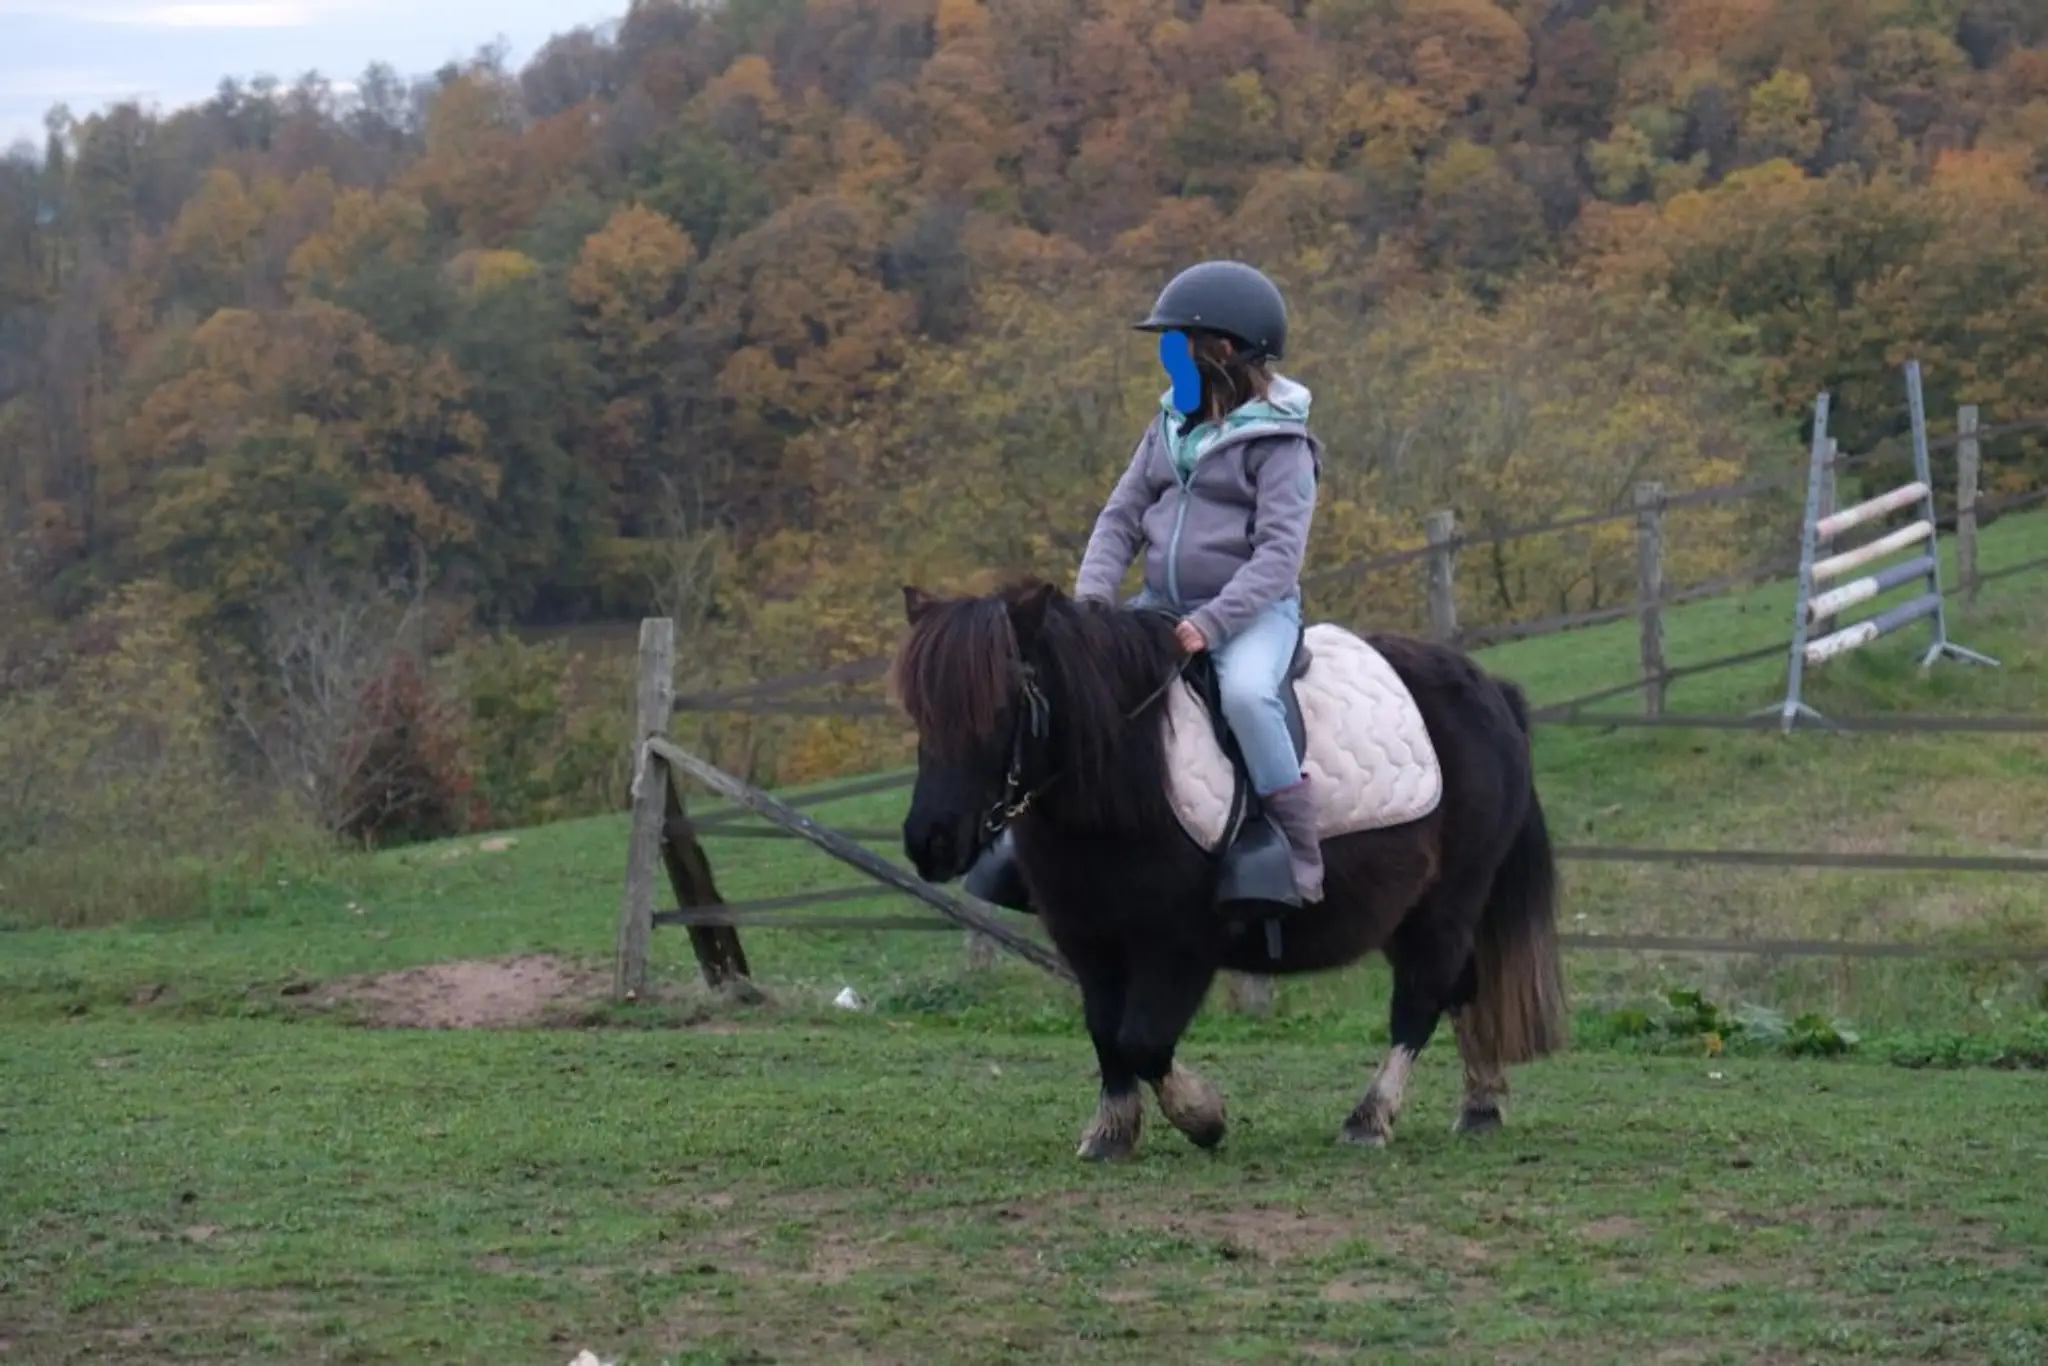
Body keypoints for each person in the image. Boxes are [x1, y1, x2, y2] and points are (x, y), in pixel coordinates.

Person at [963, 259, 1325, 913]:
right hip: (1158, 605)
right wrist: (1094, 601)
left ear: (1222, 349)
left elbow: (1278, 558)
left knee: (1245, 696)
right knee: (1077, 686)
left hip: (1251, 614)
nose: (1167, 358)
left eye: (1176, 343)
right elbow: (1121, 517)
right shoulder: (1166, 428)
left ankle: (1295, 849)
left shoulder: (1283, 446)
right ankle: (1044, 842)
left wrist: (1211, 624)